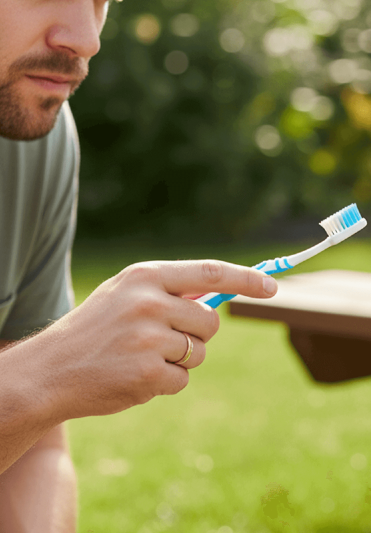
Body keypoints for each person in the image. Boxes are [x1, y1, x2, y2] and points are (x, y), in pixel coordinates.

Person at [0, 0, 277, 529]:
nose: (86, 38)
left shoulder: (37, 137)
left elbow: (34, 450)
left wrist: (39, 388)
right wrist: (47, 371)